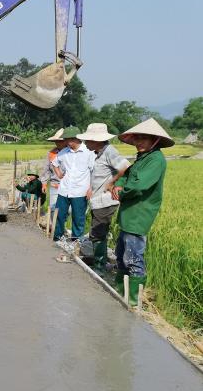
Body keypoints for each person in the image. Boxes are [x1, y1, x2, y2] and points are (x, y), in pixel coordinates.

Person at [111, 118, 173, 306]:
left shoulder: (156, 160)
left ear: (155, 140)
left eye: (143, 139)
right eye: (136, 139)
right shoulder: (142, 158)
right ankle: (120, 291)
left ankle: (133, 300)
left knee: (133, 258)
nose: (138, 143)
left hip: (139, 215)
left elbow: (139, 187)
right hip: (128, 214)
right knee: (121, 254)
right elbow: (127, 175)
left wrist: (122, 193)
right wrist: (119, 185)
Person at [77, 123, 130, 270]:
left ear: (97, 140)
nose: (85, 143)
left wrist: (114, 183)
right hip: (97, 200)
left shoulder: (109, 151)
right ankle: (99, 263)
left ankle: (99, 267)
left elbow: (125, 167)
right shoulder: (99, 153)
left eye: (88, 140)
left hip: (105, 202)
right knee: (96, 233)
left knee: (98, 233)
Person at [52, 126, 94, 241]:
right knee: (60, 215)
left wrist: (91, 188)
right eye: (66, 140)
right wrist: (59, 174)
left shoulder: (89, 152)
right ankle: (57, 238)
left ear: (77, 138)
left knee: (78, 218)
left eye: (70, 140)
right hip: (64, 190)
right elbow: (54, 163)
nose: (67, 142)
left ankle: (76, 241)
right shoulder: (63, 152)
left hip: (80, 191)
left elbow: (93, 172)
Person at [40, 128, 67, 210]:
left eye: (60, 141)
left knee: (68, 210)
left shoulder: (71, 153)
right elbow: (46, 169)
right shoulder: (51, 153)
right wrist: (44, 183)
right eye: (56, 141)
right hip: (54, 184)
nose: (58, 143)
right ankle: (54, 222)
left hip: (68, 186)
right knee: (53, 208)